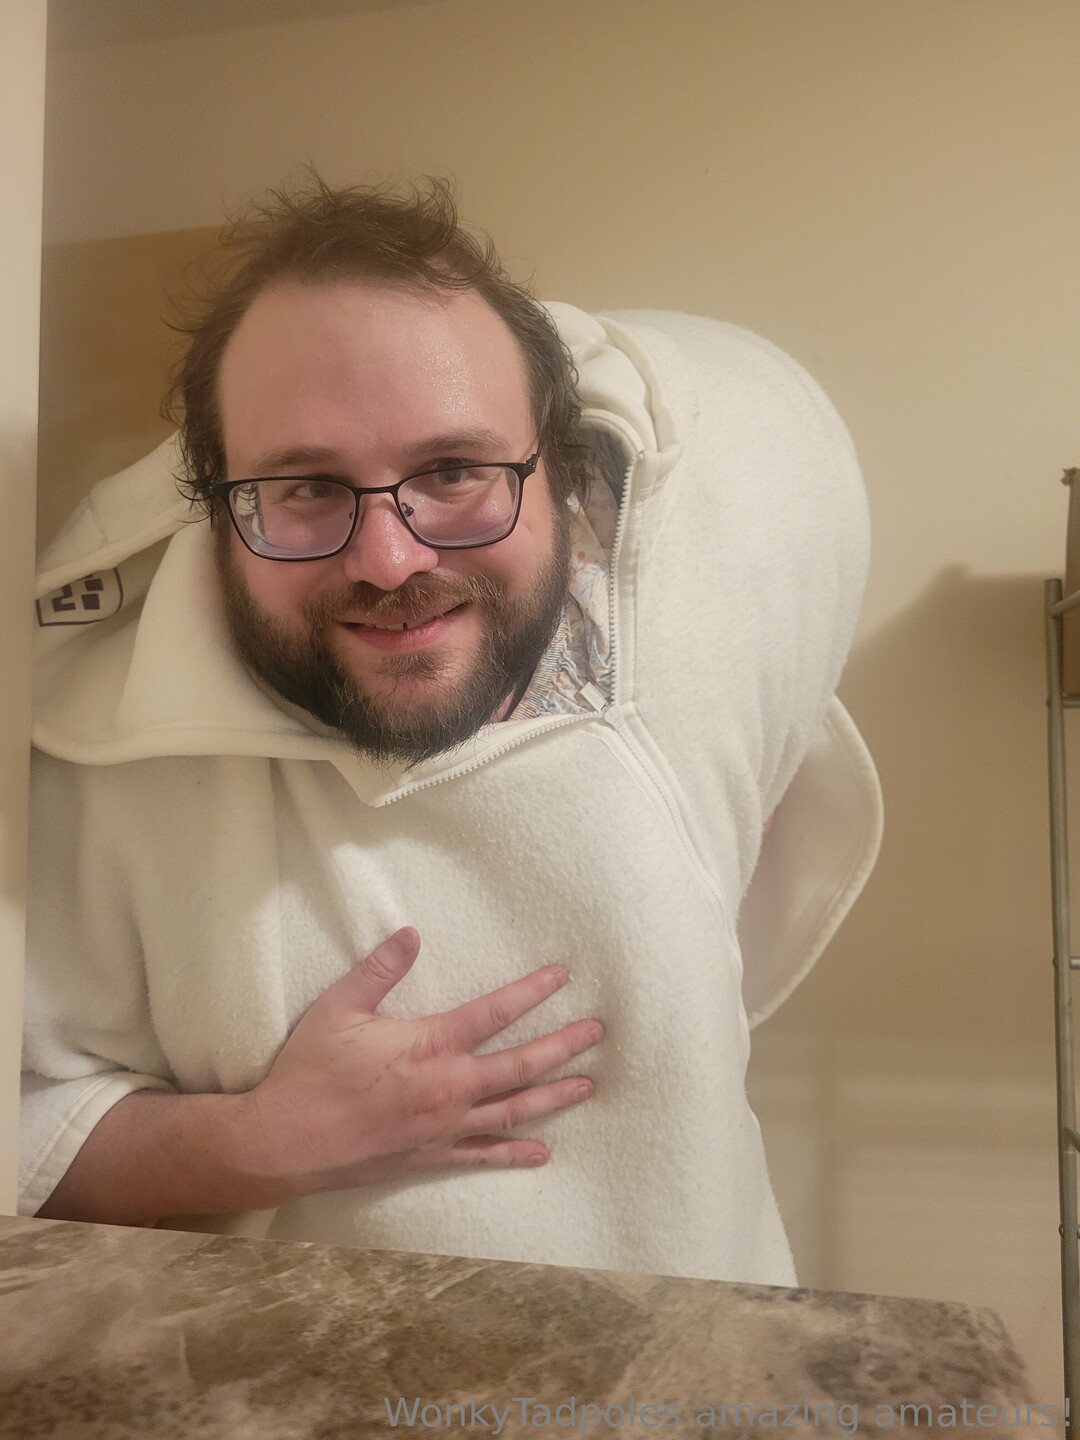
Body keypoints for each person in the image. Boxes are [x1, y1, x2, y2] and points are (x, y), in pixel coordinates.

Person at [22, 178, 882, 1286]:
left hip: (710, 1352)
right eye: (306, 487)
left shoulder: (690, 630)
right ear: (213, 508)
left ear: (562, 469)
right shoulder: (96, 766)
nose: (391, 562)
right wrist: (253, 1145)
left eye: (454, 470)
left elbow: (753, 403)